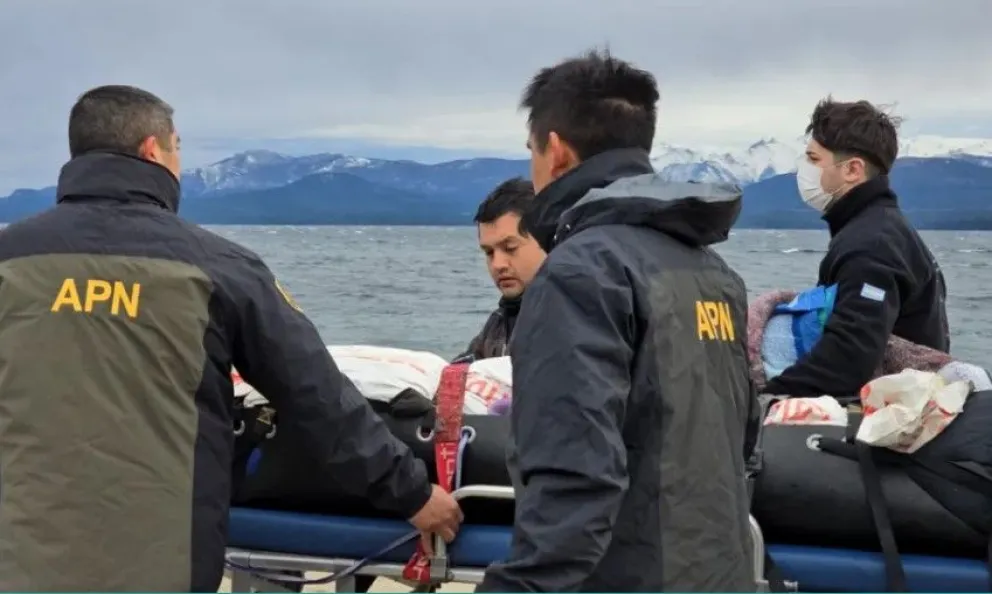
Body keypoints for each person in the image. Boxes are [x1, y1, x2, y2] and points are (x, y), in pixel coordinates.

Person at [0, 85, 462, 592]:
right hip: (163, 562)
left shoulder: (10, 260)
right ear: (153, 150)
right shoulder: (219, 268)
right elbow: (319, 398)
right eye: (177, 148)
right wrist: (412, 493)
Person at [476, 50, 759, 592]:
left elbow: (575, 478)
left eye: (531, 152)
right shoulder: (714, 273)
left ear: (554, 152)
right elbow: (739, 444)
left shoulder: (581, 272)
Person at [762, 98, 950, 398]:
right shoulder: (879, 228)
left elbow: (848, 359)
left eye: (813, 159)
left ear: (852, 169)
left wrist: (762, 397)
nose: (804, 170)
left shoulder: (871, 245)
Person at [455, 177, 545, 361]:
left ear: (546, 240)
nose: (498, 264)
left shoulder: (573, 320)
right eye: (489, 252)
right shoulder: (500, 321)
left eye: (510, 248)